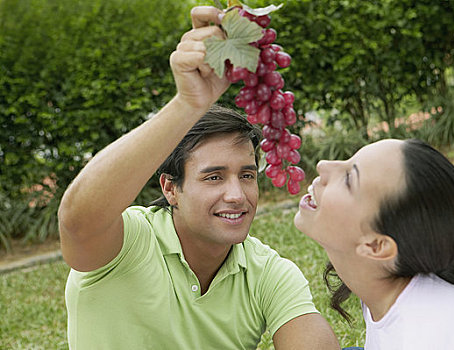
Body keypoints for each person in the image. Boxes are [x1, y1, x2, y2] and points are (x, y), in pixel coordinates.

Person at [58, 6, 340, 350]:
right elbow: (78, 222)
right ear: (170, 188)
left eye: (247, 175)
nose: (237, 195)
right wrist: (187, 104)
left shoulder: (268, 272)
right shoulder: (129, 243)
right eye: (213, 178)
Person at [294, 138, 454, 349]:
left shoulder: (427, 336)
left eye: (348, 179)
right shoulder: (387, 287)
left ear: (377, 246)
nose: (323, 165)